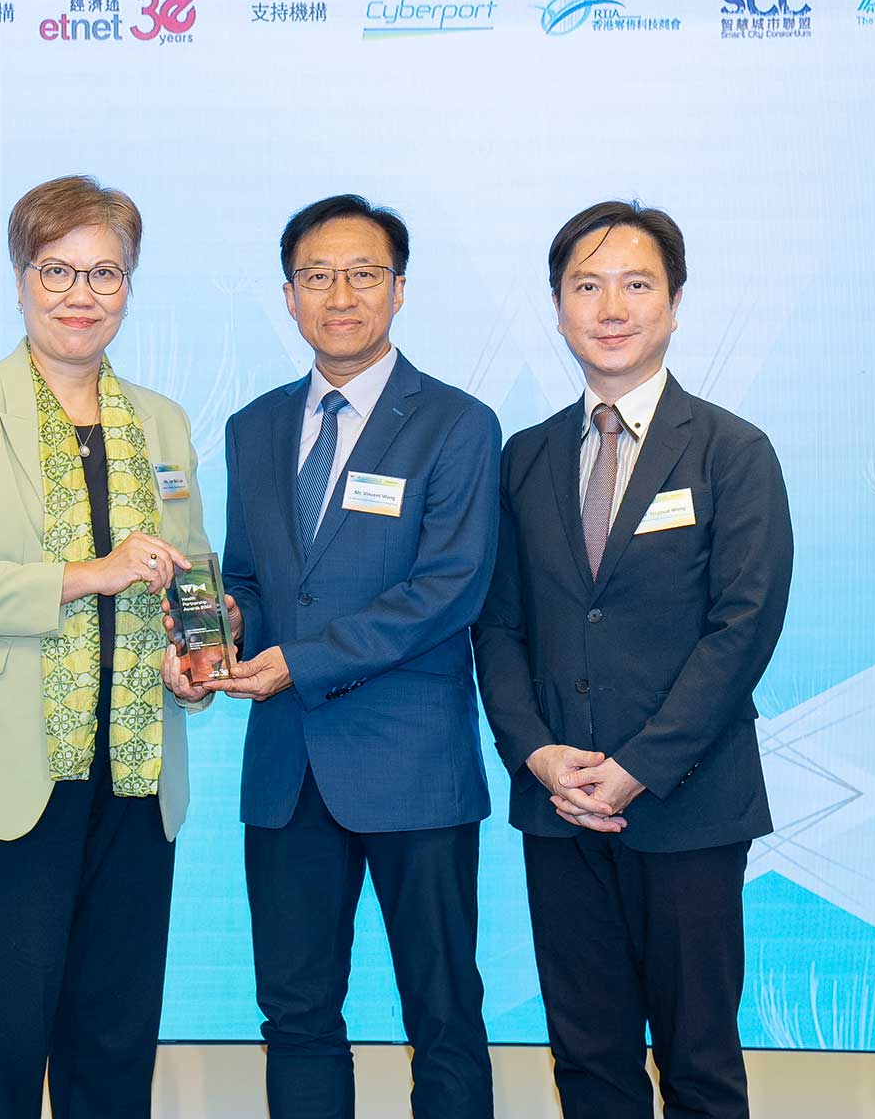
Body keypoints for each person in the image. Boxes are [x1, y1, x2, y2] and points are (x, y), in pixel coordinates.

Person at [0, 175, 212, 1119]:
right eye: (56, 270)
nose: (80, 294)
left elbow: (187, 569)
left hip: (134, 778)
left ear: (130, 285)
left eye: (105, 273)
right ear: (21, 278)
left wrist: (194, 656)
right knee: (2, 1048)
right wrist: (91, 573)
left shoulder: (163, 421)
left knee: (115, 1047)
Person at [168, 194, 502, 1119]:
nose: (340, 295)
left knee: (443, 1011)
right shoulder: (254, 427)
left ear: (399, 289)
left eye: (362, 274)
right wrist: (221, 630)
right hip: (288, 769)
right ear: (288, 295)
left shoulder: (457, 423)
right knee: (296, 1014)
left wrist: (298, 663)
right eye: (317, 276)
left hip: (413, 766)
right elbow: (252, 575)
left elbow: (448, 589)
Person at [471, 201, 794, 1119]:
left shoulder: (733, 451)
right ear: (558, 307)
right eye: (587, 286)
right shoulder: (525, 457)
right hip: (559, 806)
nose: (611, 308)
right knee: (588, 1062)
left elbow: (743, 628)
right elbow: (498, 628)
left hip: (688, 806)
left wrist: (639, 767)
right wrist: (538, 755)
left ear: (675, 304)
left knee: (699, 1066)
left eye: (637, 284)